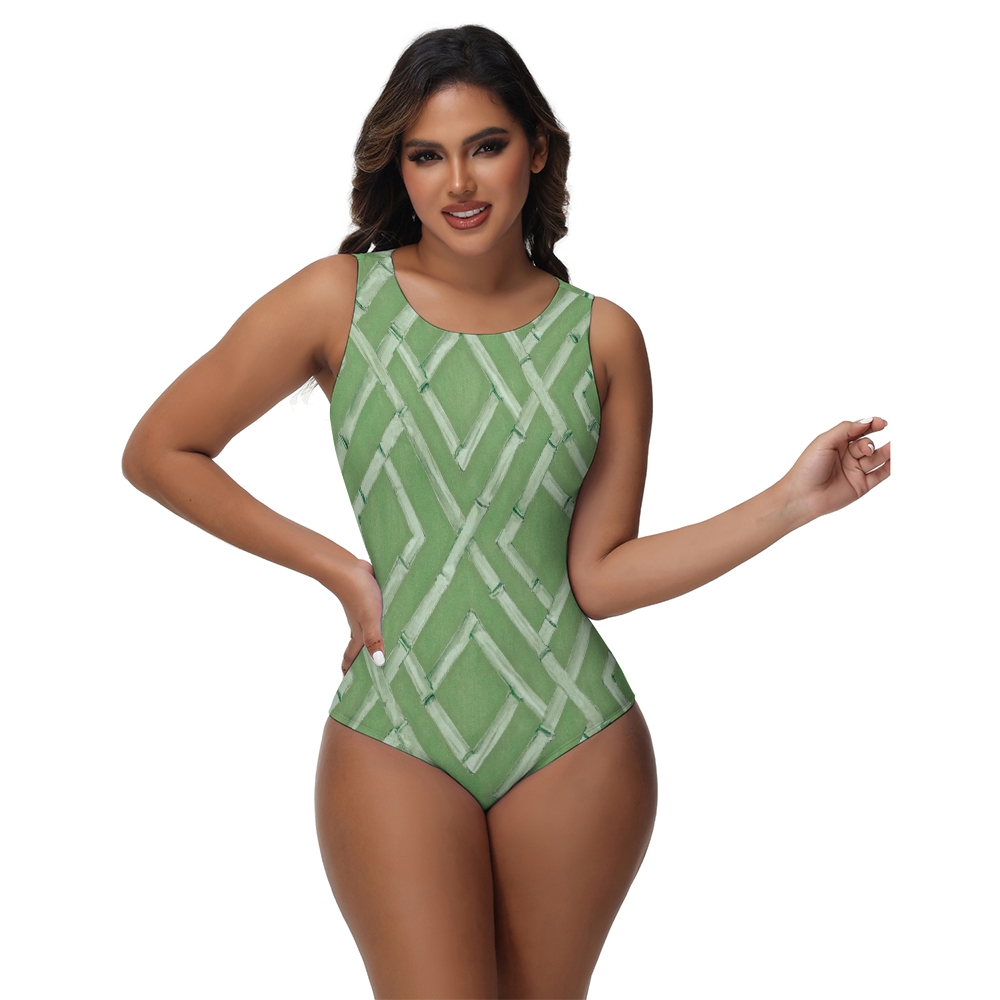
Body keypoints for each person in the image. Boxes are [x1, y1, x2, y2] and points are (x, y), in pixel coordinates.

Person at [122, 24, 890, 1000]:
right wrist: (340, 568)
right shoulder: (336, 301)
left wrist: (789, 502)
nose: (458, 182)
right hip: (396, 725)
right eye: (426, 155)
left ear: (535, 149)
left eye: (485, 145)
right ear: (398, 167)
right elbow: (161, 449)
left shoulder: (603, 336)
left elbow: (598, 576)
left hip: (575, 734)